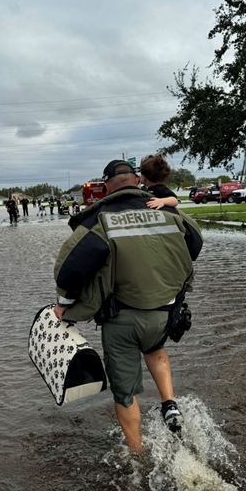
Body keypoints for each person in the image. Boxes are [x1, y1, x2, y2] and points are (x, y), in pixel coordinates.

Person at [52, 159, 203, 453]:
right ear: (137, 181)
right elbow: (194, 244)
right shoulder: (167, 210)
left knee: (125, 393)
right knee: (155, 350)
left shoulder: (99, 219)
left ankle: (137, 455)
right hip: (164, 314)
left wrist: (64, 306)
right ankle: (169, 404)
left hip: (121, 320)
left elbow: (70, 270)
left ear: (106, 185)